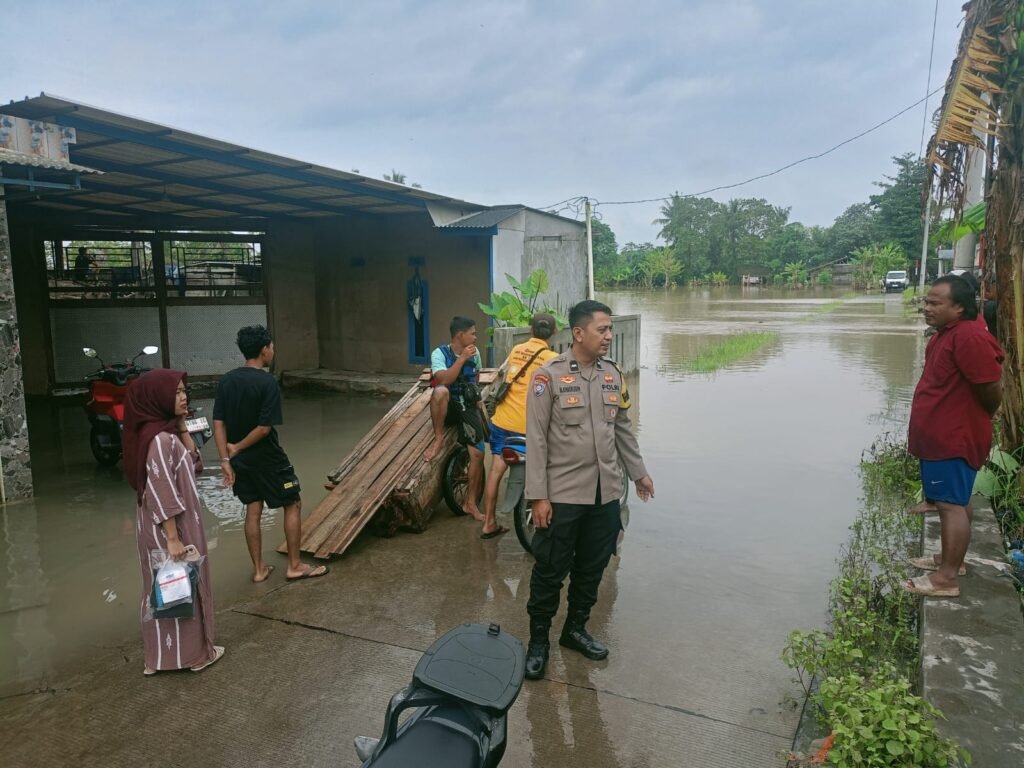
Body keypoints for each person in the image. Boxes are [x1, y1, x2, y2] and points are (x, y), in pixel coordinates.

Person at [523, 300, 655, 679]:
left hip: (605, 494)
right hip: (563, 495)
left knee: (592, 567)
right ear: (579, 333)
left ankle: (575, 629)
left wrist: (639, 473)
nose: (609, 336)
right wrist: (538, 496)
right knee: (550, 570)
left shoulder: (612, 374)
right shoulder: (547, 377)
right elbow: (536, 440)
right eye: (602, 330)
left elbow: (622, 428)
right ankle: (538, 641)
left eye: (610, 329)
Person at [905, 276, 1003, 598]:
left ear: (959, 307)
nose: (927, 308)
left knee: (951, 506)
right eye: (926, 301)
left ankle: (945, 579)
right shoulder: (948, 333)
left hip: (953, 437)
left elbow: (990, 386)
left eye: (936, 303)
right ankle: (952, 562)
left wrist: (982, 415)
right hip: (941, 435)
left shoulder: (968, 337)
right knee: (956, 501)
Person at [123, 368, 223, 675]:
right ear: (157, 397)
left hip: (162, 525)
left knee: (163, 587)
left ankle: (158, 659)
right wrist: (173, 538)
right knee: (181, 584)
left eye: (183, 391)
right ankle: (194, 656)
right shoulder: (159, 441)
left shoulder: (161, 434)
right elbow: (162, 490)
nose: (183, 397)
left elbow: (194, 465)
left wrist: (182, 427)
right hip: (171, 526)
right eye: (176, 392)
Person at [213, 325, 328, 583]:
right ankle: (294, 566)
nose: (273, 351)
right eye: (272, 347)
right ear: (264, 349)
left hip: (241, 462)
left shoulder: (227, 380)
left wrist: (226, 459)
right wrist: (238, 447)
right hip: (268, 458)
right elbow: (264, 429)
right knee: (293, 502)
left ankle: (259, 570)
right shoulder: (267, 382)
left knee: (253, 509)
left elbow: (218, 422)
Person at [479, 312, 559, 539]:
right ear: (554, 332)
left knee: (496, 471)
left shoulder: (517, 350)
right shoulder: (554, 359)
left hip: (502, 421)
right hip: (529, 427)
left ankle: (489, 523)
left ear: (531, 329)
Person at [423, 316, 487, 520]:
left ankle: (470, 503)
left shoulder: (475, 353)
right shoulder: (439, 353)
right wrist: (461, 359)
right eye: (472, 333)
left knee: (478, 454)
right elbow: (443, 379)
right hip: (449, 405)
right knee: (440, 391)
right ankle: (439, 438)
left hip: (466, 405)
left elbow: (476, 376)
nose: (475, 337)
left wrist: (475, 397)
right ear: (460, 335)